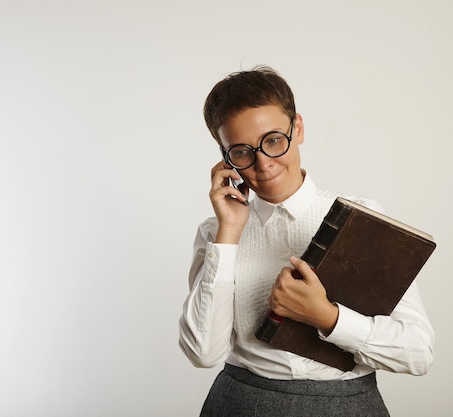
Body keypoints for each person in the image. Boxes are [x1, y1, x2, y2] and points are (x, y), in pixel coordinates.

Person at [179, 66, 434, 416]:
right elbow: (202, 353)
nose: (264, 164)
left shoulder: (361, 218)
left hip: (347, 405)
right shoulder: (217, 231)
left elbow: (417, 353)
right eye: (241, 152)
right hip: (243, 404)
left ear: (297, 128)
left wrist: (328, 317)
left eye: (273, 141)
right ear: (225, 158)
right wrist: (228, 235)